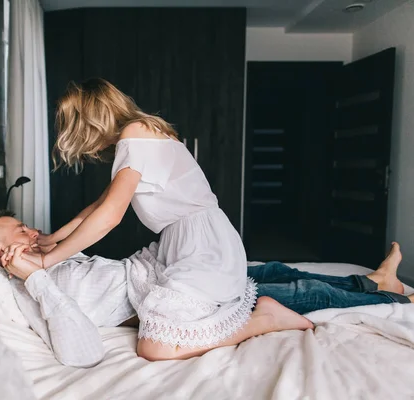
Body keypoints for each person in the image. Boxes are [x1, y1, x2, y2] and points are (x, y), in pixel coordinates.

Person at [33, 77, 310, 361]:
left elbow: (109, 216)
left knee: (154, 347)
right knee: (161, 324)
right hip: (193, 243)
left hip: (203, 248)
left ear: (91, 117)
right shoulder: (141, 134)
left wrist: (46, 263)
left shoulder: (136, 134)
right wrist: (52, 240)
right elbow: (98, 207)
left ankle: (265, 319)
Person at [0, 212, 412, 367]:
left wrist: (49, 253)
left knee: (267, 266)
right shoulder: (32, 293)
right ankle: (391, 296)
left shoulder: (50, 259)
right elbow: (81, 353)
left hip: (158, 270)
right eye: (21, 232)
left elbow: (93, 220)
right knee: (296, 289)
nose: (34, 231)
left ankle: (371, 281)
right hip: (170, 295)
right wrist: (38, 277)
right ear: (0, 254)